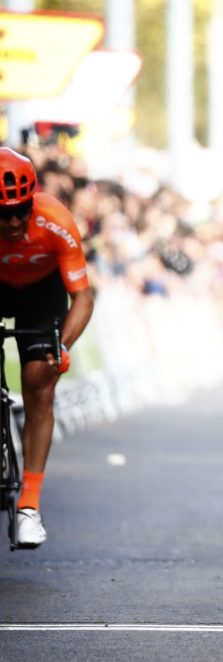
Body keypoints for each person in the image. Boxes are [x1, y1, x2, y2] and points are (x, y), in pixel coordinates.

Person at [0, 147, 94, 548]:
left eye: (21, 209)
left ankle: (29, 508)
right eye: (3, 215)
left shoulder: (55, 220)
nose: (15, 221)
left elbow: (84, 299)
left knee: (40, 383)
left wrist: (63, 345)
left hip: (42, 293)